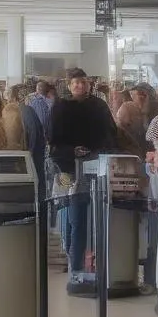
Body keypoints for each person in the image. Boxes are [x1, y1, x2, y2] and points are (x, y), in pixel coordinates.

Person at [49, 68, 119, 276]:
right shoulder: (61, 107)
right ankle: (75, 263)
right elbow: (53, 139)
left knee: (92, 217)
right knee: (73, 217)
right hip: (68, 169)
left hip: (96, 167)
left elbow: (111, 134)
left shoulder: (99, 106)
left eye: (83, 82)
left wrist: (99, 151)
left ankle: (92, 264)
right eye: (76, 82)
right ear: (69, 85)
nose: (80, 86)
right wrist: (71, 151)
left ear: (89, 84)